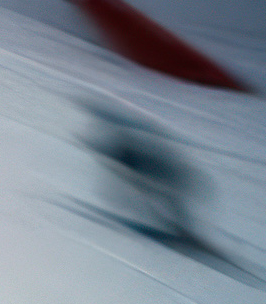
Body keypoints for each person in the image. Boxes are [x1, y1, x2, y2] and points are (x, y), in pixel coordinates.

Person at [82, 102, 206, 250]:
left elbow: (144, 166)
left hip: (160, 178)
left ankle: (178, 227)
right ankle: (177, 227)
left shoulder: (128, 155)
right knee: (162, 201)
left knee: (166, 200)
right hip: (156, 180)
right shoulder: (126, 155)